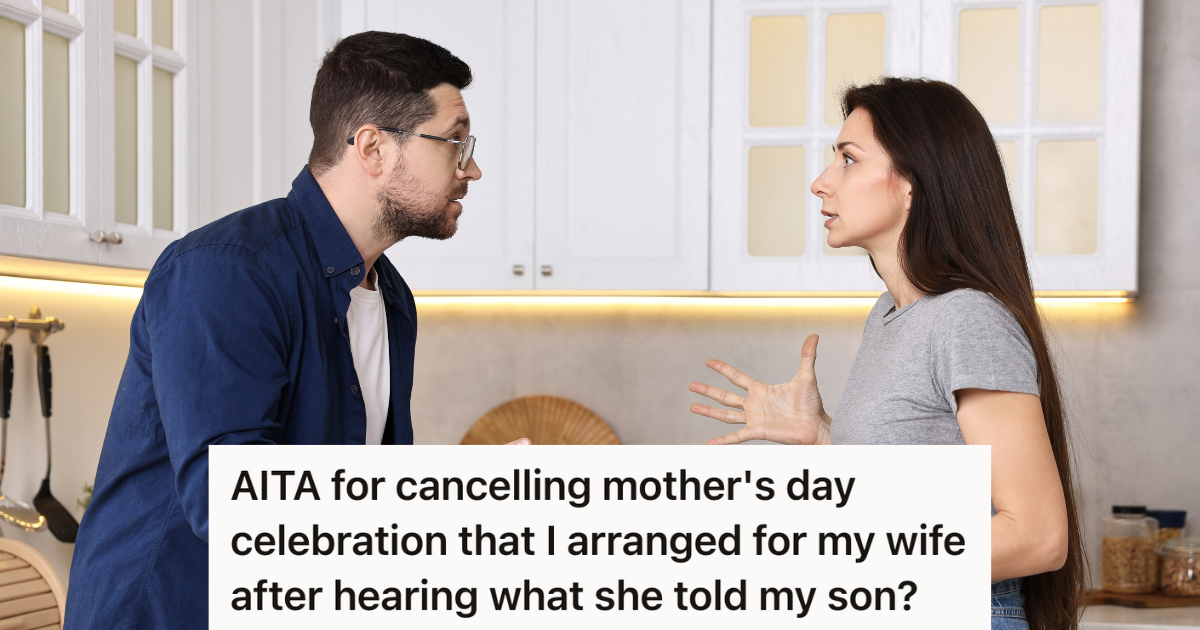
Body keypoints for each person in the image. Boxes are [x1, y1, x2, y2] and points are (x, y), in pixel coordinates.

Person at [64, 32, 513, 629]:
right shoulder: (226, 271)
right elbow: (232, 502)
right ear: (374, 148)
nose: (472, 168)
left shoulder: (390, 298)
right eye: (456, 141)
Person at [688, 78, 1084, 630]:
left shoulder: (966, 319)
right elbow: (926, 469)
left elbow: (1038, 535)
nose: (821, 183)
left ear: (914, 183)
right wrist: (824, 434)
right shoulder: (893, 315)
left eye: (848, 160)